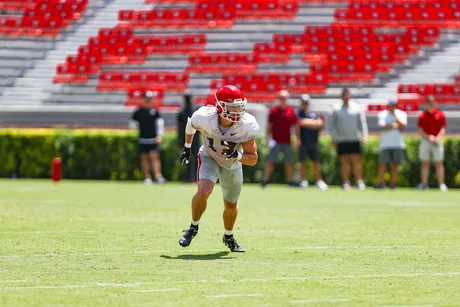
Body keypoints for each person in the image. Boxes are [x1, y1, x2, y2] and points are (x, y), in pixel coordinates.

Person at [178, 85, 259, 252]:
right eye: (233, 106)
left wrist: (237, 155)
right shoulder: (205, 116)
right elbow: (190, 124)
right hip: (209, 156)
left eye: (239, 106)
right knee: (204, 190)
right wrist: (187, 146)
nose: (237, 110)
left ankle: (228, 236)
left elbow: (253, 159)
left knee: (230, 205)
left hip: (232, 164)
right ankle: (193, 227)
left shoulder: (246, 124)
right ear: (221, 106)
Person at [330, 88, 368, 191]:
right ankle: (346, 182)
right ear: (341, 96)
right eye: (344, 95)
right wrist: (333, 138)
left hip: (354, 138)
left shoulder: (357, 107)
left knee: (356, 161)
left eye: (348, 95)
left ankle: (359, 181)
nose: (346, 97)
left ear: (350, 96)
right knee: (344, 162)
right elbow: (332, 125)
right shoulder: (336, 108)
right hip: (342, 139)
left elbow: (362, 123)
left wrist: (364, 135)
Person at [261, 90, 299, 188]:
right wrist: (267, 138)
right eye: (281, 98)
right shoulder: (273, 111)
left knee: (289, 162)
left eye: (284, 98)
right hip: (276, 141)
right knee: (270, 161)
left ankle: (291, 182)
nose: (283, 100)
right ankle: (265, 181)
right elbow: (269, 126)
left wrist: (298, 138)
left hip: (287, 142)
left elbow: (296, 126)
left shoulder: (291, 111)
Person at [131, 91, 165, 185]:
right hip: (143, 138)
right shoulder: (138, 111)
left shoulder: (154, 111)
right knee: (144, 157)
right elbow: (133, 123)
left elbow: (160, 124)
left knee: (154, 157)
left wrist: (159, 135)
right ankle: (147, 177)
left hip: (153, 138)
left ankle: (158, 176)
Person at [296, 94, 328, 190]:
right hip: (303, 142)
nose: (304, 105)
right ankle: (303, 181)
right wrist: (312, 123)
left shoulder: (314, 114)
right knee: (302, 162)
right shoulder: (298, 113)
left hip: (314, 142)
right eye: (303, 103)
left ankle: (319, 181)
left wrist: (306, 122)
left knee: (316, 162)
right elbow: (299, 123)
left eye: (306, 103)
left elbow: (320, 123)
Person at [416, 95, 448, 192]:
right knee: (425, 162)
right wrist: (429, 137)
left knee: (438, 163)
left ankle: (442, 184)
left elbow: (443, 129)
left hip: (437, 141)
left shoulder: (440, 114)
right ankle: (424, 184)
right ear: (426, 104)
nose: (431, 105)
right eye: (429, 103)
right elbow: (420, 130)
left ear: (435, 103)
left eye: (432, 102)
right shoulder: (423, 115)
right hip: (426, 141)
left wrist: (437, 138)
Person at [375, 99, 407, 189]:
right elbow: (383, 127)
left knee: (396, 165)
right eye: (391, 105)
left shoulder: (401, 114)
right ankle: (380, 183)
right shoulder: (382, 114)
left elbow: (402, 126)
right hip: (385, 144)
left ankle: (393, 184)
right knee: (382, 164)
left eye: (394, 105)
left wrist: (396, 120)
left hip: (398, 144)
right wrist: (393, 125)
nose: (392, 107)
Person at [177, 94, 201, 182]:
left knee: (191, 158)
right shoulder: (194, 112)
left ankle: (191, 177)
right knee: (193, 158)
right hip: (194, 139)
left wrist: (179, 141)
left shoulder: (183, 112)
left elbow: (179, 130)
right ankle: (193, 177)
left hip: (189, 138)